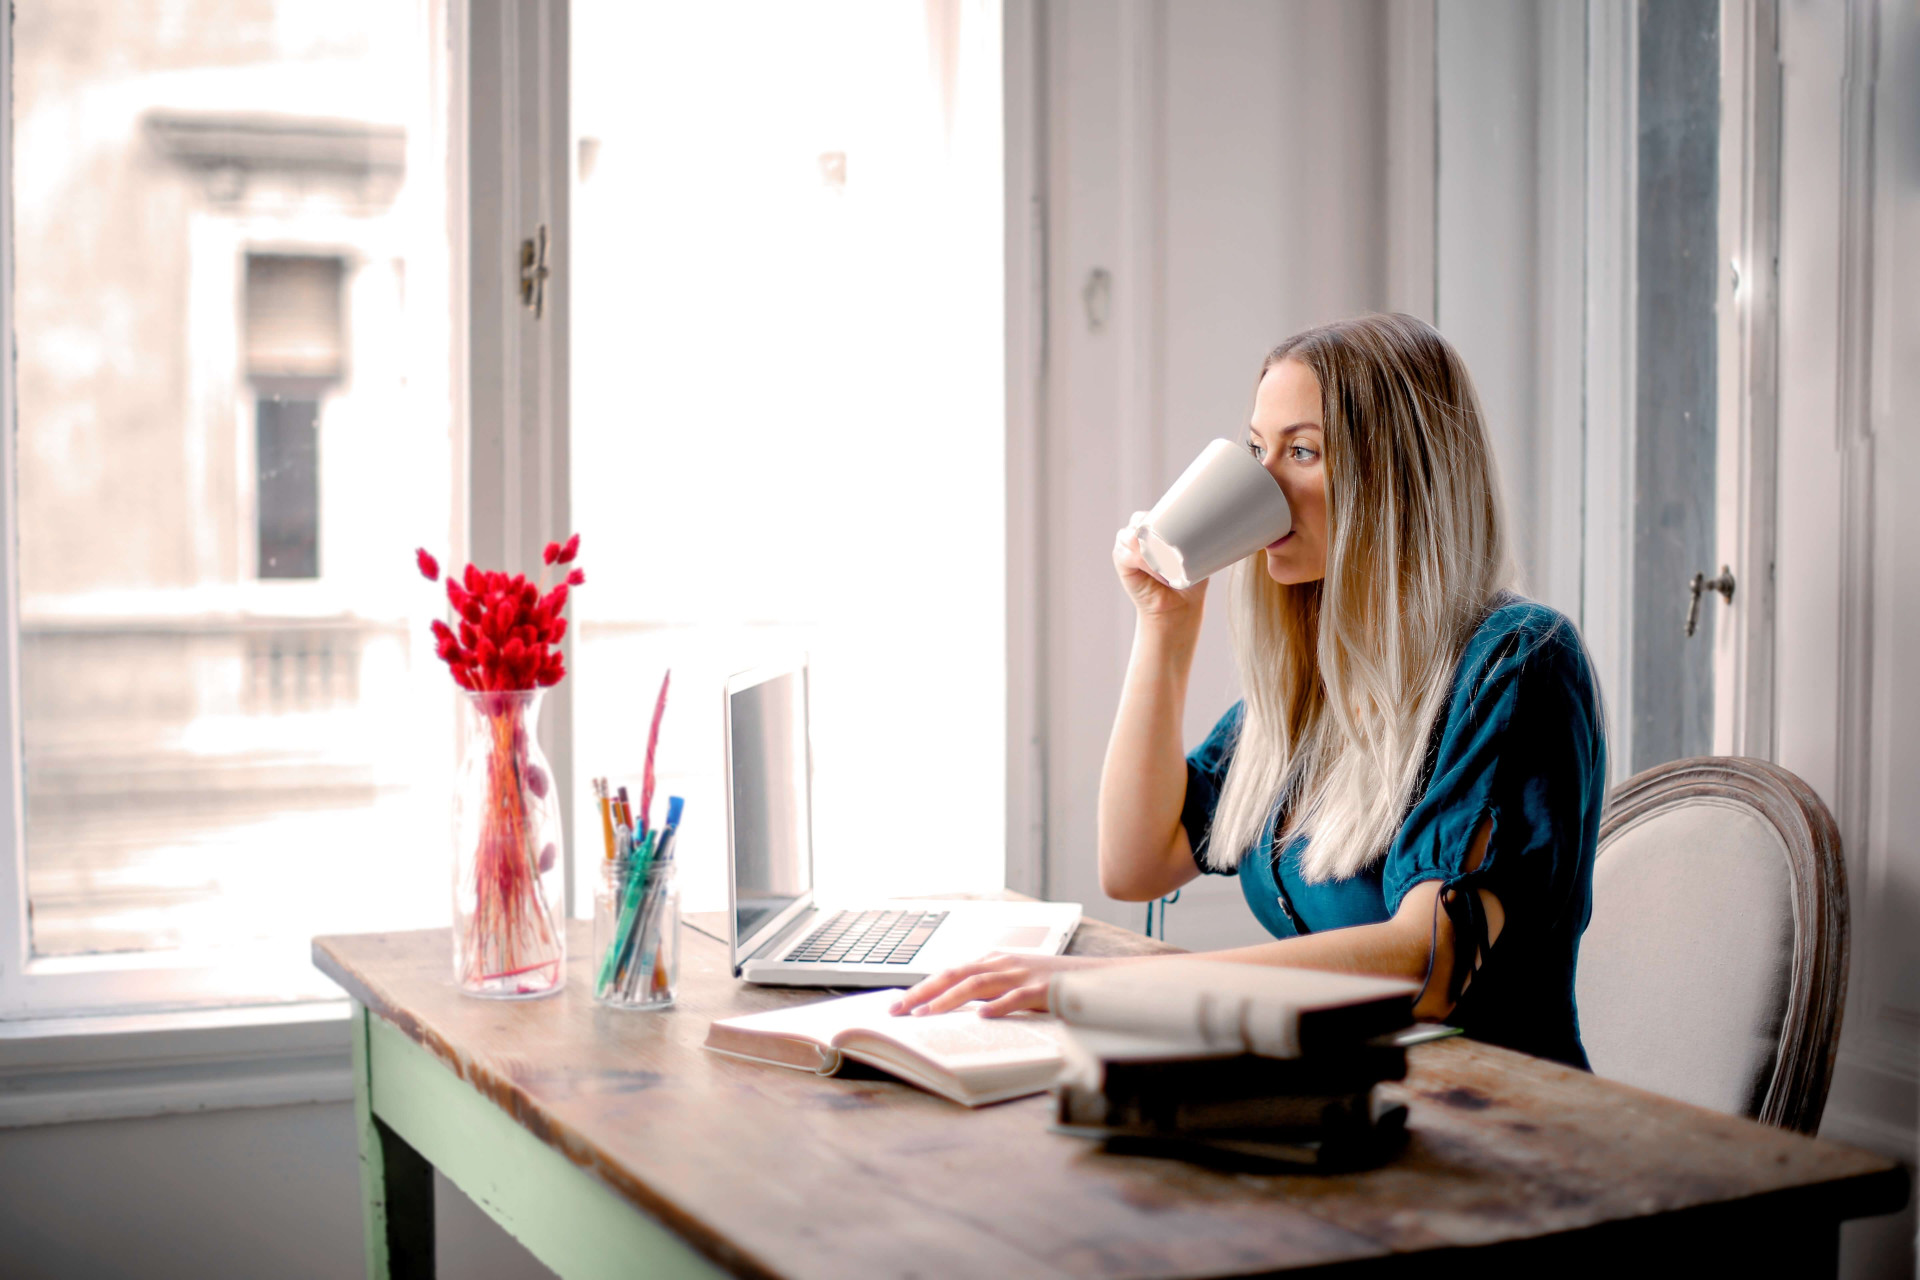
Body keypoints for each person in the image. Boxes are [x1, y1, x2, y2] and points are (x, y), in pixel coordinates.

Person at [892, 312, 1606, 1069]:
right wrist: (1163, 630)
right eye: (1256, 449)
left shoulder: (1516, 663)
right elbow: (1138, 862)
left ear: (1401, 480)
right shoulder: (1322, 680)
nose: (1262, 483)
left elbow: (1428, 963)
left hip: (1501, 1118)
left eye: (1302, 451)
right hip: (1343, 1088)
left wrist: (1116, 985)